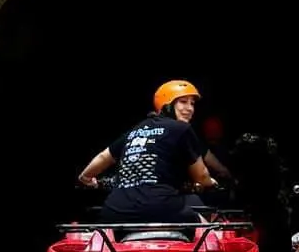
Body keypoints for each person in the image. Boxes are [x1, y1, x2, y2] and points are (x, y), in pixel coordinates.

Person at [78, 81, 232, 224]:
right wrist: (212, 182)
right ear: (167, 105)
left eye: (192, 104)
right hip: (162, 208)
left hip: (113, 212)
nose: (190, 108)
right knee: (208, 228)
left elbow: (104, 156)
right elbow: (202, 176)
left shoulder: (136, 130)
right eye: (183, 102)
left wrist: (86, 177)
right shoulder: (182, 129)